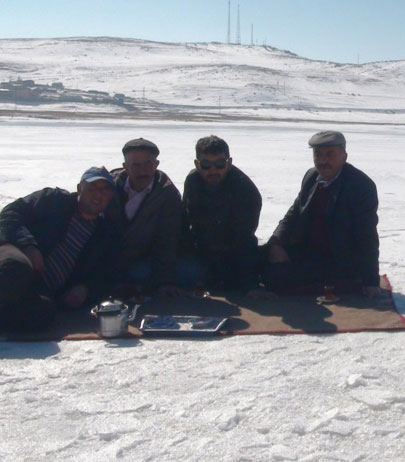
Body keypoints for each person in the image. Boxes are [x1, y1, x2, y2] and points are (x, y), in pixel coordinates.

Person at [0, 166, 121, 333]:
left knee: (44, 311)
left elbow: (107, 274)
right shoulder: (53, 200)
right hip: (16, 254)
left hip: (40, 287)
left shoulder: (105, 234)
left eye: (105, 190)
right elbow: (9, 214)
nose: (98, 195)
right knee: (16, 269)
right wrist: (28, 245)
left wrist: (86, 289)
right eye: (92, 188)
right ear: (79, 189)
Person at [262, 130, 381, 296]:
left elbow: (367, 235)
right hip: (308, 250)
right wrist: (275, 243)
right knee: (256, 259)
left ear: (344, 157)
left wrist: (371, 281)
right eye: (318, 155)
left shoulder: (360, 186)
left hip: (338, 258)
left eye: (330, 155)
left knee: (276, 277)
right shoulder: (312, 177)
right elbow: (294, 213)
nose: (323, 161)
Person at [181, 135, 263, 293]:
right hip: (200, 252)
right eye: (206, 165)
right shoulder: (193, 181)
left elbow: (242, 236)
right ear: (197, 164)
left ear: (229, 163)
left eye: (219, 164)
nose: (213, 170)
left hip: (235, 256)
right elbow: (184, 221)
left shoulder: (245, 189)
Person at [110, 138, 185, 297]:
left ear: (156, 164)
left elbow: (167, 239)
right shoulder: (108, 187)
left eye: (147, 164)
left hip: (143, 259)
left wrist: (165, 281)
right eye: (135, 165)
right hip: (108, 257)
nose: (142, 171)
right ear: (125, 166)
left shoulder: (167, 195)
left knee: (192, 272)